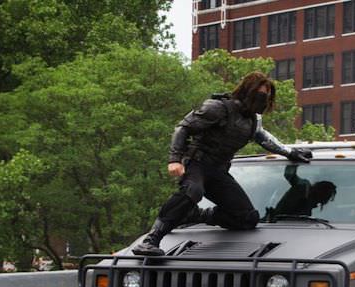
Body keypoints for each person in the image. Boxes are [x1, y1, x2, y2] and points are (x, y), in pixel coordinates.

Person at [133, 71, 312, 256]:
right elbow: (183, 127)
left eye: (266, 96)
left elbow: (263, 138)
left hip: (218, 171)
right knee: (192, 191)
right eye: (260, 95)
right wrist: (175, 159)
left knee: (247, 218)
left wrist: (290, 152)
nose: (263, 100)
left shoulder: (253, 120)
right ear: (247, 91)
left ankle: (195, 215)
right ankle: (151, 240)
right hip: (197, 163)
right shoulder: (218, 107)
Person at [266, 165, 336, 218]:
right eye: (328, 194)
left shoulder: (311, 203)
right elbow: (289, 175)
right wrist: (294, 160)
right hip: (278, 222)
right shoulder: (303, 187)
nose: (328, 198)